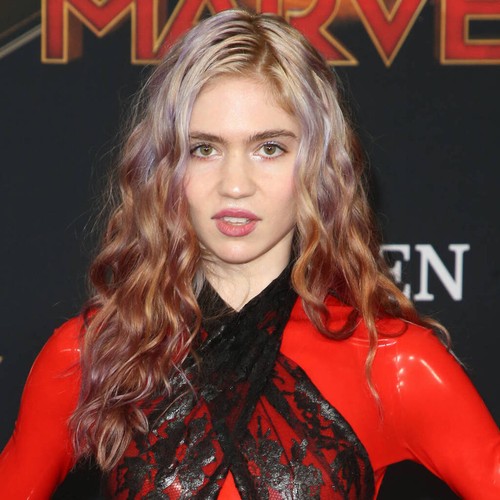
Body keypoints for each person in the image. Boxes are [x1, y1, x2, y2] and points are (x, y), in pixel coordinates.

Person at [0, 8, 498, 499]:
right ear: (165, 168)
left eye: (270, 148)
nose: (235, 185)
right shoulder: (95, 355)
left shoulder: (389, 363)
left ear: (318, 167)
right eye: (204, 149)